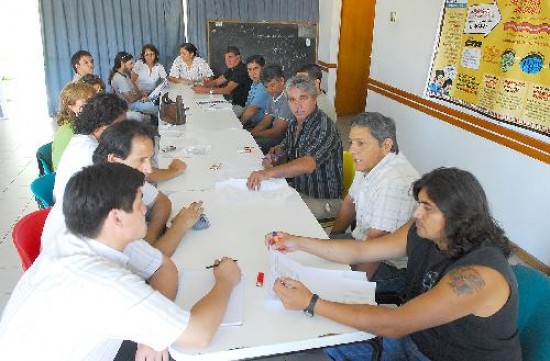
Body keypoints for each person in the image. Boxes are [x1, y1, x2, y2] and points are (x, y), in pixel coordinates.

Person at [268, 167, 521, 361]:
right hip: (416, 340)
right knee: (309, 348)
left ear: (458, 215)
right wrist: (297, 242)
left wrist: (311, 302)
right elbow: (361, 250)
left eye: (427, 207)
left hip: (435, 352)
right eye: (419, 204)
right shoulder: (424, 232)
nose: (416, 214)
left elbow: (396, 323)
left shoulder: (479, 276)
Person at [0, 163, 242, 360]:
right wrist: (226, 280)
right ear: (116, 217)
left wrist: (151, 332)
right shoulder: (103, 283)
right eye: (139, 204)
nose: (145, 210)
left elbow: (163, 267)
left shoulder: (82, 235)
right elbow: (199, 334)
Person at [330, 112, 419, 285]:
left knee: (322, 278)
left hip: (387, 265)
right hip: (362, 245)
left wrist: (354, 286)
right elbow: (349, 202)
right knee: (315, 253)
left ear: (386, 145)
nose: (352, 150)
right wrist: (333, 238)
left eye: (361, 143)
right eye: (351, 142)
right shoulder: (367, 163)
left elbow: (376, 245)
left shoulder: (395, 181)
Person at [93, 120, 202, 256]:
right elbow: (155, 265)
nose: (149, 169)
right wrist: (180, 226)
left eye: (150, 159)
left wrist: (149, 239)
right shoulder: (106, 205)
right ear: (114, 160)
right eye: (141, 160)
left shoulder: (123, 178)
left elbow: (162, 202)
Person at [247, 75, 343, 220]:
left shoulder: (323, 126)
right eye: (292, 100)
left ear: (314, 98)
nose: (297, 106)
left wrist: (268, 173)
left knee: (273, 214)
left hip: (322, 199)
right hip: (297, 188)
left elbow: (308, 163)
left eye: (303, 98)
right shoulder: (295, 122)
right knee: (256, 201)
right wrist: (274, 156)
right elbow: (284, 148)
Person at [193, 46, 252, 115]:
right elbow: (216, 82)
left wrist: (205, 90)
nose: (227, 61)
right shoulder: (231, 69)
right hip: (232, 102)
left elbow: (227, 90)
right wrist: (202, 86)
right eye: (226, 58)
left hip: (241, 106)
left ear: (238, 58)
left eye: (230, 57)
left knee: (215, 114)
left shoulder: (242, 70)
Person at [51, 82, 97, 170]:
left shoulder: (69, 123)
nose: (92, 107)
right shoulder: (73, 130)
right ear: (70, 105)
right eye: (85, 104)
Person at [250, 64, 293, 154]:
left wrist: (254, 135)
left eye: (272, 85)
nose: (269, 89)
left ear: (282, 81)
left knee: (252, 145)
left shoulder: (288, 98)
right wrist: (251, 133)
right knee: (249, 140)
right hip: (273, 134)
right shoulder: (272, 96)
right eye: (266, 87)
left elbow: (278, 131)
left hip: (284, 140)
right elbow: (266, 121)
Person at [109, 51, 158, 119]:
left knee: (154, 101)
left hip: (134, 102)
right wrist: (141, 95)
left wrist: (142, 95)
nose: (133, 66)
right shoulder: (119, 78)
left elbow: (134, 88)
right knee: (156, 107)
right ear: (122, 63)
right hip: (129, 106)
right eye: (131, 63)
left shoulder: (124, 74)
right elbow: (131, 99)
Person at [239, 55, 269, 129]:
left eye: (256, 68)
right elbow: (248, 106)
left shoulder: (264, 85)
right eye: (249, 69)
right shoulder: (255, 83)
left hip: (260, 128)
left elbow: (251, 111)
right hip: (252, 124)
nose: (253, 73)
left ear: (263, 68)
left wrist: (237, 126)